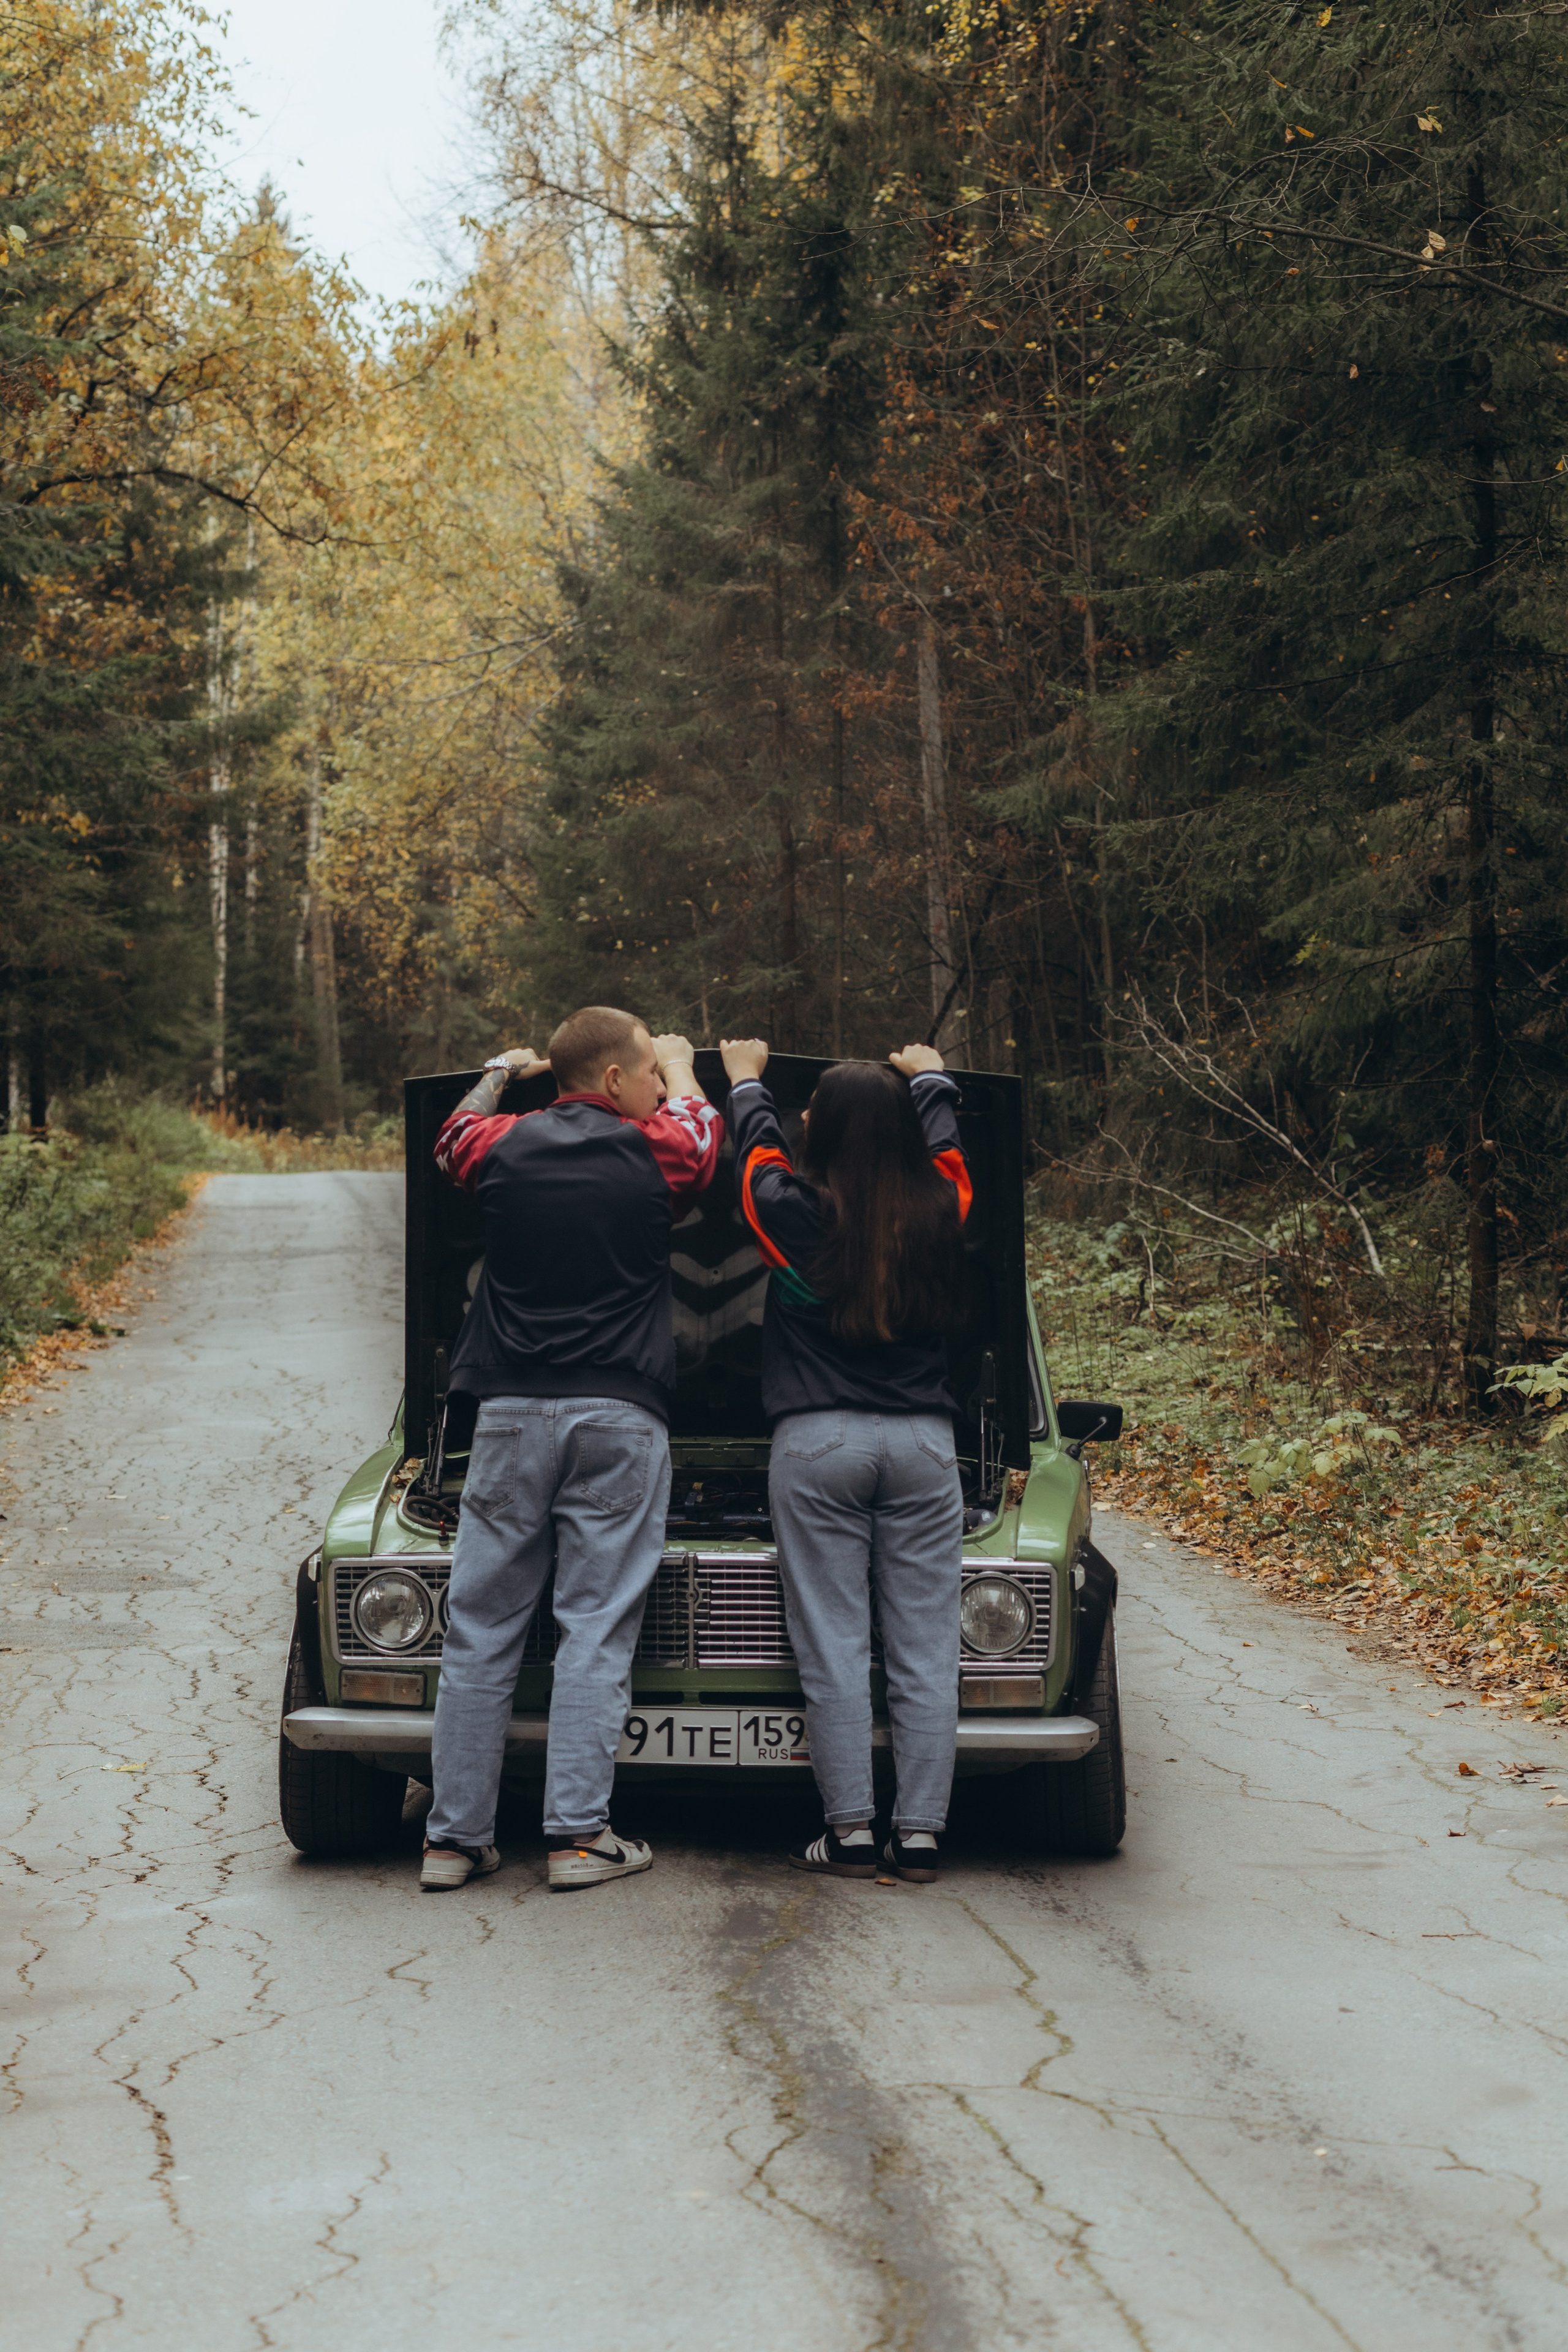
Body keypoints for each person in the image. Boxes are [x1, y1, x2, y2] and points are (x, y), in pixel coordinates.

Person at [420, 1009, 723, 1893]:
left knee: (480, 1629)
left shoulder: (504, 1144)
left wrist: (497, 1069)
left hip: (511, 1413)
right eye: (648, 1075)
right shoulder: (654, 1149)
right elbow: (703, 1142)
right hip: (617, 1416)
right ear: (616, 1081)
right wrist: (687, 1065)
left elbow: (452, 1137)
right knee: (594, 1628)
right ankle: (578, 1840)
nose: (658, 1089)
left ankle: (452, 1840)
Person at [720, 1037, 971, 1884]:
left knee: (832, 1647)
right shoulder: (945, 1208)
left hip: (819, 1440)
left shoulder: (793, 1214)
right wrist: (929, 1079)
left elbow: (755, 1171)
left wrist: (747, 1083)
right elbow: (949, 1154)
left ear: (817, 1133)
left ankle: (853, 1833)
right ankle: (924, 1835)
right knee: (925, 1647)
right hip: (925, 1447)